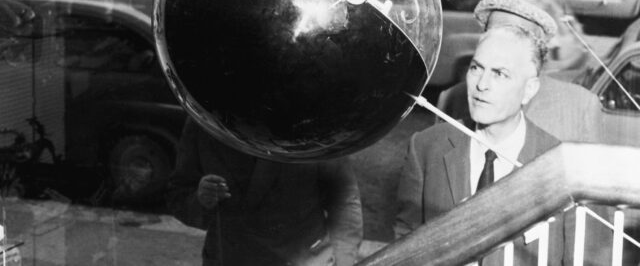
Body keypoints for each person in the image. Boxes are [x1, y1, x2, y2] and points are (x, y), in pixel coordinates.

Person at [395, 23, 568, 265]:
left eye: (500, 73)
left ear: (529, 89)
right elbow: (405, 245)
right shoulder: (426, 148)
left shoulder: (561, 164)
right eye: (476, 68)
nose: (481, 85)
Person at [166, 117, 363, 266]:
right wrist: (201, 200)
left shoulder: (311, 122)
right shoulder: (203, 121)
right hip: (230, 259)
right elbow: (178, 196)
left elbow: (343, 200)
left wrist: (344, 261)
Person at [438, 0, 603, 143]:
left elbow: (588, 175)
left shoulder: (580, 106)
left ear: (536, 53)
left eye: (514, 39)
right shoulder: (452, 99)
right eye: (493, 36)